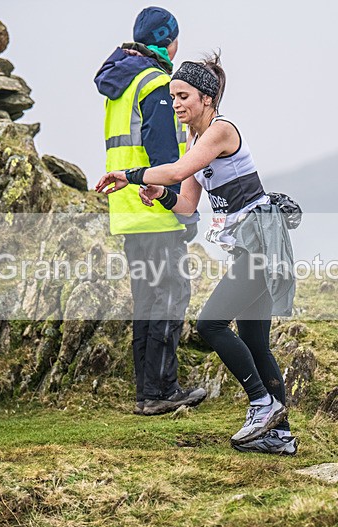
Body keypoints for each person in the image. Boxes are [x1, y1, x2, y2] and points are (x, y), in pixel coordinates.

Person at [96, 54, 298, 455]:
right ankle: (279, 436)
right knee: (256, 343)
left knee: (210, 324)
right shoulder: (195, 140)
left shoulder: (221, 131)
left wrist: (130, 175)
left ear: (207, 98)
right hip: (248, 246)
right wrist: (160, 196)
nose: (176, 104)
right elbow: (187, 201)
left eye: (183, 96)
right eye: (172, 97)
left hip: (262, 244)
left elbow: (173, 170)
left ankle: (262, 403)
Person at [94, 7, 205, 416]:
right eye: (176, 38)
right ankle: (161, 392)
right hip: (153, 205)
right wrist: (182, 210)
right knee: (171, 296)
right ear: (168, 40)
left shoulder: (122, 80)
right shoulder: (156, 82)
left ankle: (147, 394)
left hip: (127, 210)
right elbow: (164, 155)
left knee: (147, 300)